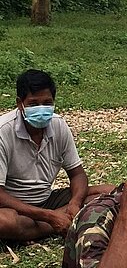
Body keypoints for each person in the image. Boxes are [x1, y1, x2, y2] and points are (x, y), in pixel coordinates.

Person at [0, 69, 103, 242]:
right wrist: (48, 216)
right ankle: (62, 222)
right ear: (20, 104)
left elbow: (77, 173)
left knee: (110, 193)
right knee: (4, 223)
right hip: (12, 206)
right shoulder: (3, 131)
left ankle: (51, 223)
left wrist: (75, 203)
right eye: (33, 104)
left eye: (47, 103)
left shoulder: (58, 125)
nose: (41, 109)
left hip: (47, 199)